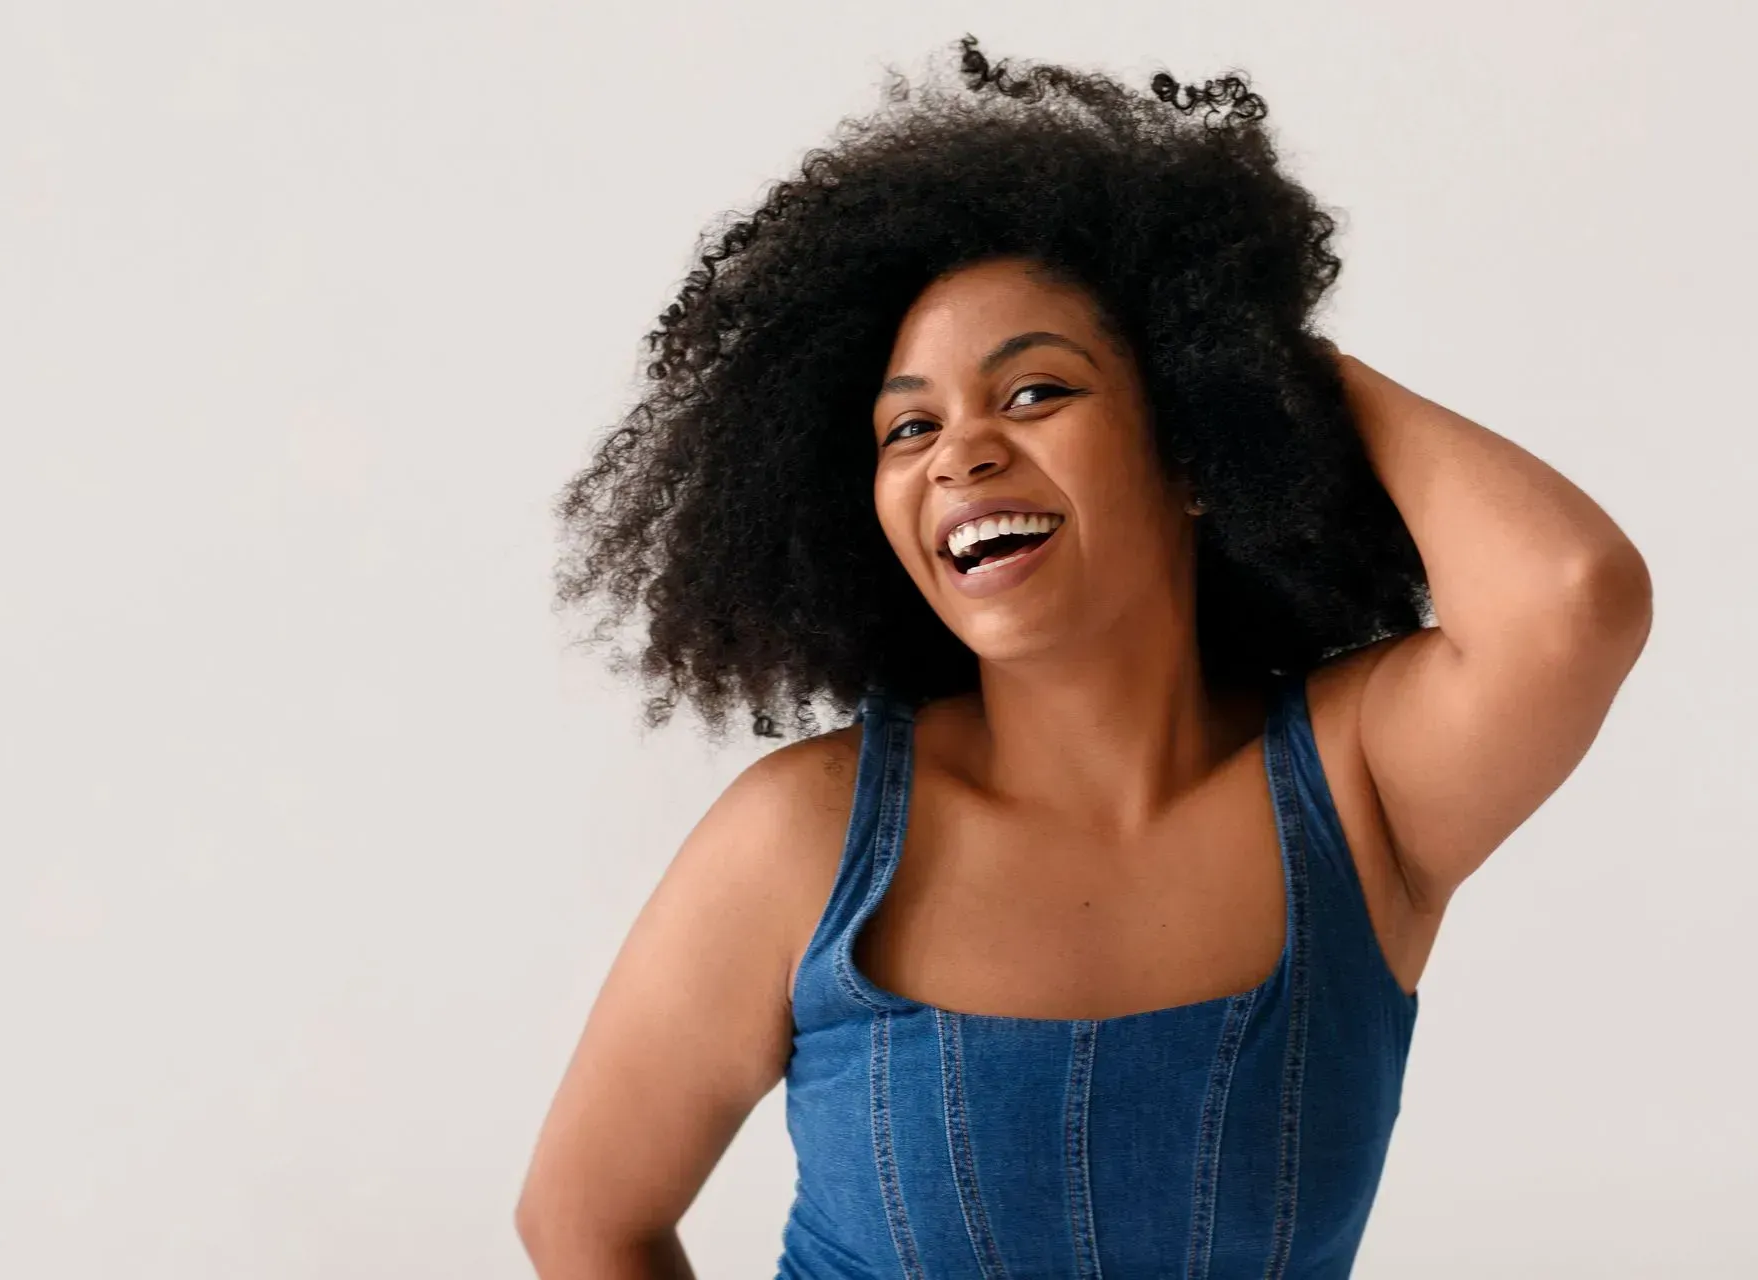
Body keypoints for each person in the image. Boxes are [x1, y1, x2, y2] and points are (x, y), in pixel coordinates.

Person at [516, 35, 1653, 1280]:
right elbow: (585, 1221)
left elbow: (1573, 596)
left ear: (1194, 442)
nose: (960, 453)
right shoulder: (805, 836)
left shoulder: (1359, 786)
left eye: (1035, 392)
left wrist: (1267, 368)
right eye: (909, 426)